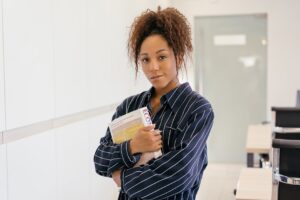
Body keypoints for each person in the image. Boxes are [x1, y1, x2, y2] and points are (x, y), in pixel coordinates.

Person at [94, 6, 214, 200]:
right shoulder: (129, 106)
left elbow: (178, 175)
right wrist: (132, 146)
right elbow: (100, 159)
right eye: (145, 60)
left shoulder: (198, 109)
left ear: (179, 56)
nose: (153, 67)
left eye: (162, 57)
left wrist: (123, 178)